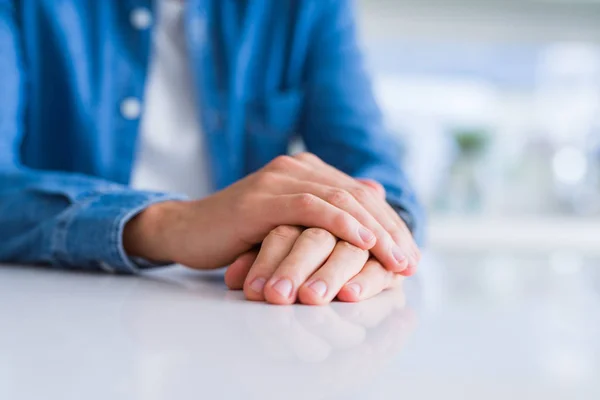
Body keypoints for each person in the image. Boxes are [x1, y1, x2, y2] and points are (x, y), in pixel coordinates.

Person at [0, 0, 424, 305]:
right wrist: (173, 224)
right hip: (64, 311)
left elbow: (374, 166)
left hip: (249, 301)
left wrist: (353, 230)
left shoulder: (308, 7)